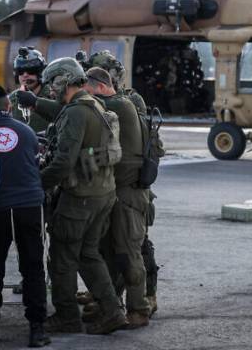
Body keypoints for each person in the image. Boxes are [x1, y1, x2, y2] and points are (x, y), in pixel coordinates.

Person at [38, 57, 127, 335]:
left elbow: (64, 161)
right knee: (88, 254)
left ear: (64, 79)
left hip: (79, 197)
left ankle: (66, 316)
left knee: (62, 257)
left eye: (53, 83)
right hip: (102, 193)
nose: (51, 89)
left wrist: (37, 183)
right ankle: (112, 311)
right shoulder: (95, 105)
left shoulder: (76, 112)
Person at [86, 50, 161, 316]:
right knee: (111, 250)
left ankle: (140, 305)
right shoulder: (116, 104)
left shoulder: (123, 104)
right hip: (116, 191)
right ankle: (113, 301)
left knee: (132, 252)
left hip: (131, 192)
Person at [0, 84, 50, 348]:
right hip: (29, 206)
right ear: (9, 107)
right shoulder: (27, 131)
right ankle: (37, 328)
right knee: (32, 267)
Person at [9, 46, 61, 133]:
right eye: (20, 71)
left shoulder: (55, 96)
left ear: (41, 72)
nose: (25, 75)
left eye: (31, 70)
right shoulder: (12, 99)